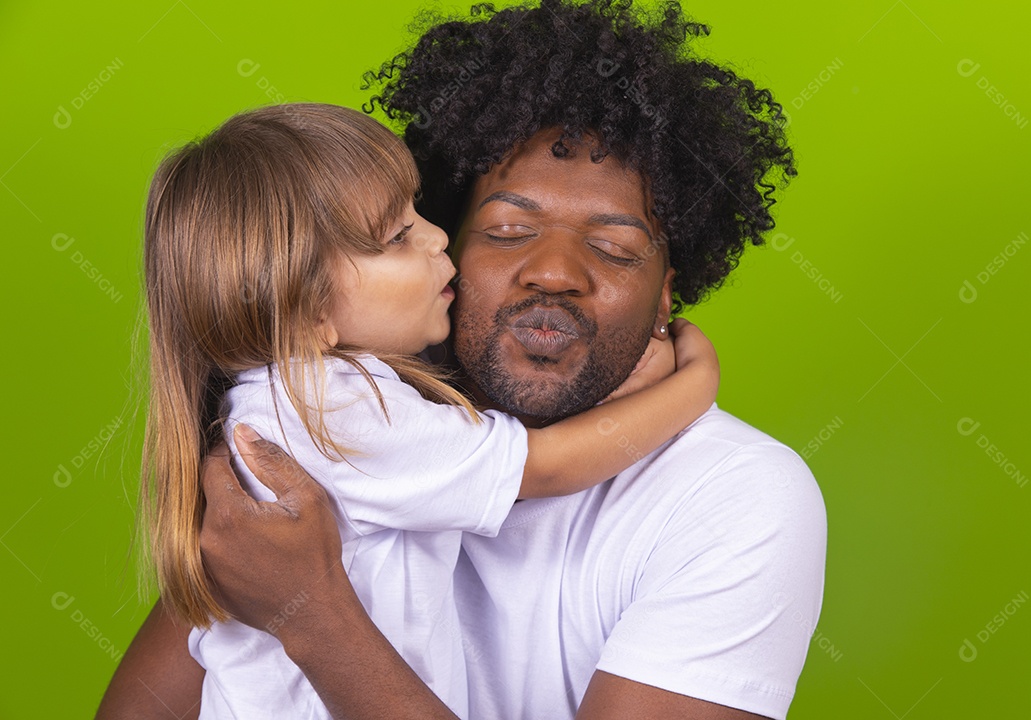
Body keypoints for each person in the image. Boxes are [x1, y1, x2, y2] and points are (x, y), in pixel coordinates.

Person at [98, 2, 827, 719]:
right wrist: (697, 379)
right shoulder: (340, 422)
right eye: (508, 230)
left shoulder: (737, 496)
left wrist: (316, 617)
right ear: (455, 250)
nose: (554, 272)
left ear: (668, 296)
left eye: (611, 248)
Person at [133, 101, 718, 719]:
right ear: (309, 313)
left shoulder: (274, 400)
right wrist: (693, 383)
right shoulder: (338, 406)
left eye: (613, 247)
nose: (438, 236)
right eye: (397, 237)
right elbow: (544, 465)